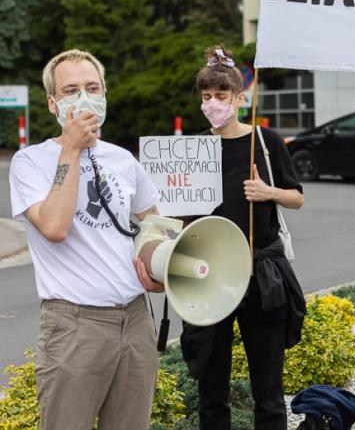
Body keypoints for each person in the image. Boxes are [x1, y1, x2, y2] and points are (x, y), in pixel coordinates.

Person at [8, 49, 164, 430]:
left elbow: (155, 224)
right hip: (75, 324)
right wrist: (73, 150)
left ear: (105, 94)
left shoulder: (124, 160)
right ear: (52, 103)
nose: (84, 99)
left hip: (134, 317)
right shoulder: (29, 162)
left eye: (92, 88)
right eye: (71, 90)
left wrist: (156, 265)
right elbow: (55, 227)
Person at [180, 45, 304, 429]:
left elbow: (297, 197)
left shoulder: (266, 143)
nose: (213, 103)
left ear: (239, 98)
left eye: (221, 96)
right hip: (207, 276)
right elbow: (175, 210)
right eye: (206, 97)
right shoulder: (194, 149)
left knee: (268, 389)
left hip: (259, 275)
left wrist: (268, 192)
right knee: (211, 388)